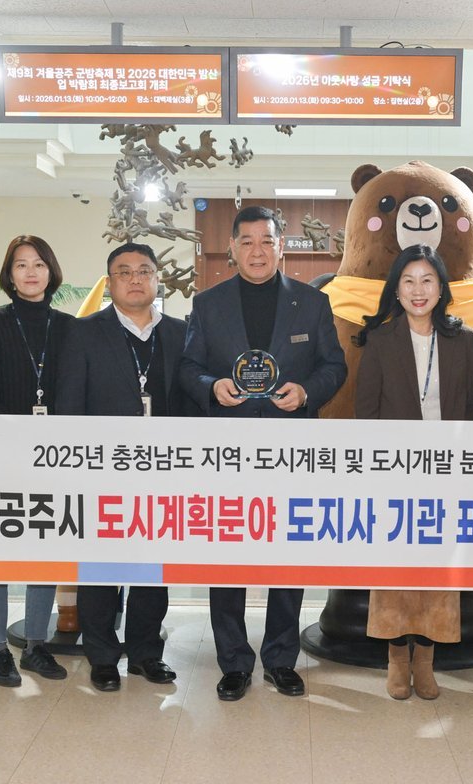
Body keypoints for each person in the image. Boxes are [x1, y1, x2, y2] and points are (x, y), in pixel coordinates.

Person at [179, 205, 347, 701]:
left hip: (290, 450)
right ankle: (233, 661)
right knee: (227, 554)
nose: (257, 250)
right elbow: (188, 368)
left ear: (281, 247)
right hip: (228, 452)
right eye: (247, 241)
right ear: (232, 248)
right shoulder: (207, 304)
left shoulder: (312, 303)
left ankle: (280, 658)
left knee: (288, 555)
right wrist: (212, 386)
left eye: (267, 241)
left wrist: (307, 392)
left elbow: (334, 366)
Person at [57, 242, 190, 692]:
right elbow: (69, 405)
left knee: (152, 571)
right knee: (101, 571)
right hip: (102, 473)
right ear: (110, 281)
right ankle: (102, 656)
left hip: (163, 473)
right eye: (124, 271)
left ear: (157, 279)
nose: (135, 279)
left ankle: (146, 653)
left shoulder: (180, 333)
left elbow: (191, 406)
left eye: (144, 270)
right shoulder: (83, 332)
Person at [354, 245, 473, 700]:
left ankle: (426, 659)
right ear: (396, 289)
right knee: (394, 571)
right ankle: (396, 658)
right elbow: (366, 414)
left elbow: (471, 412)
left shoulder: (464, 339)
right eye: (408, 281)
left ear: (441, 288)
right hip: (394, 474)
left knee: (437, 572)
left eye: (427, 280)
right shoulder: (380, 340)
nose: (418, 290)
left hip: (447, 473)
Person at [0, 235, 72, 687]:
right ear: (9, 275)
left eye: (39, 264)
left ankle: (35, 645)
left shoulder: (70, 327)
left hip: (54, 458)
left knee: (43, 550)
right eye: (21, 265)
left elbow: (76, 390)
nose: (31, 272)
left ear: (51, 271)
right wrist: (13, 436)